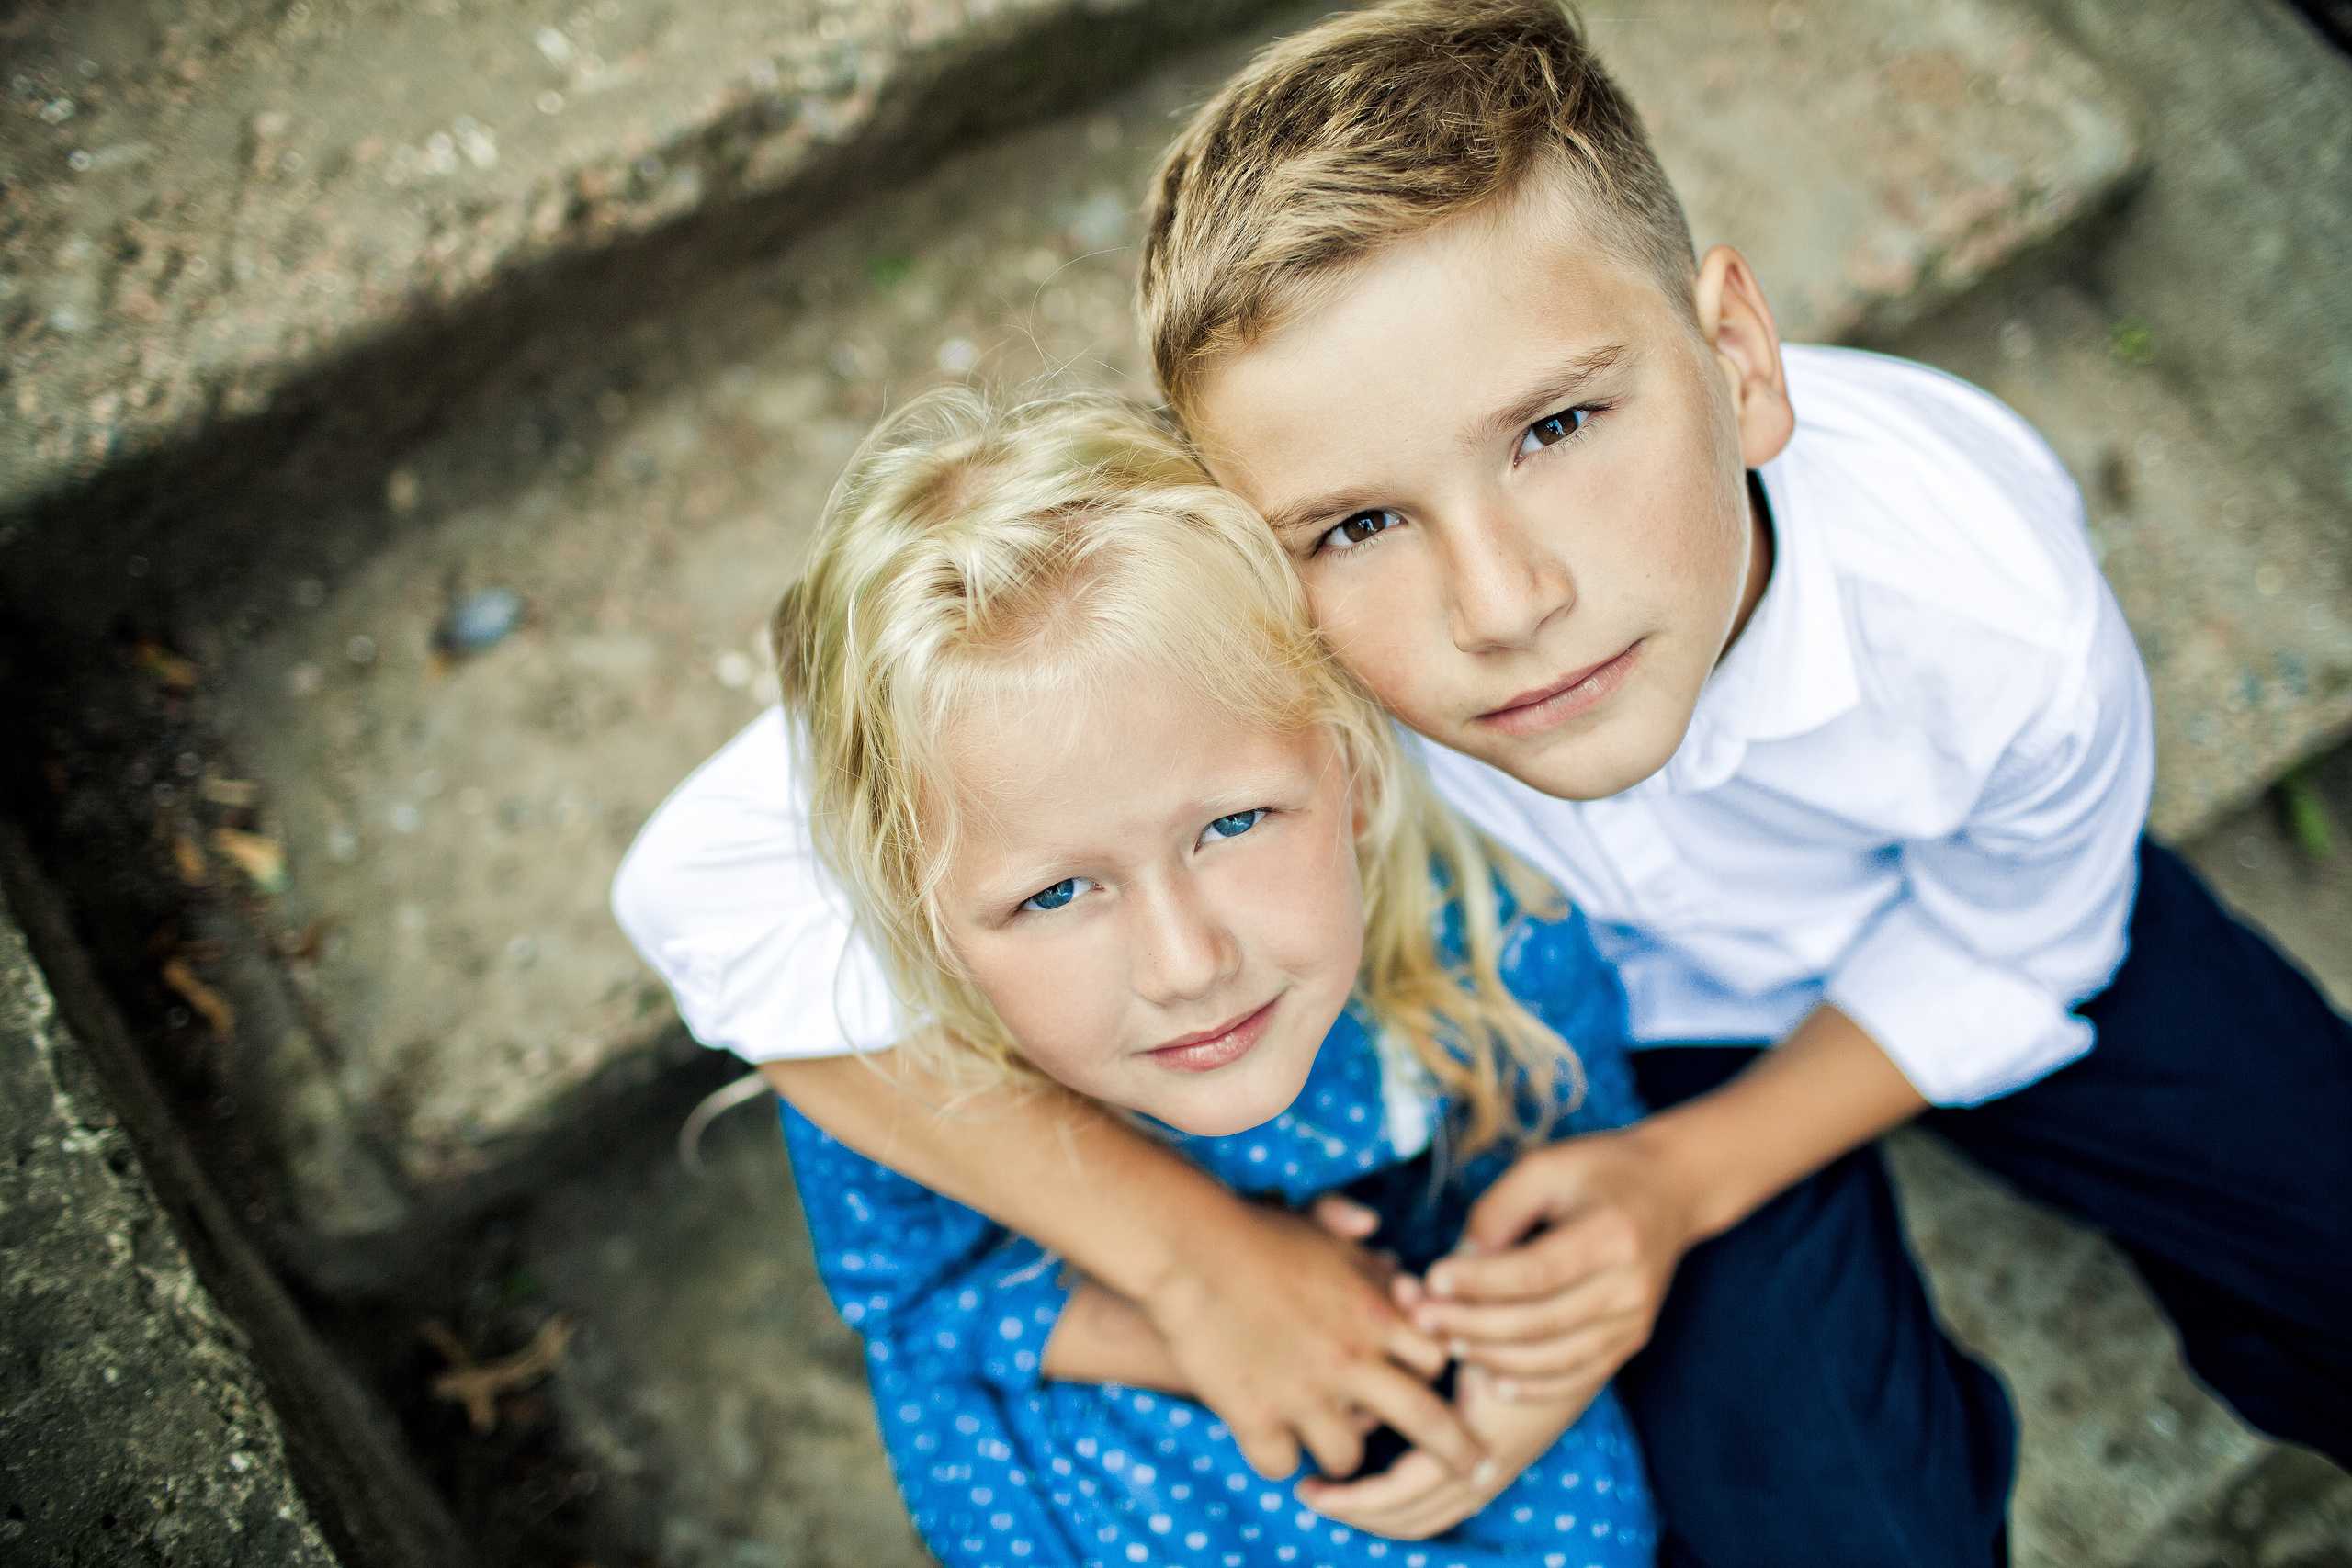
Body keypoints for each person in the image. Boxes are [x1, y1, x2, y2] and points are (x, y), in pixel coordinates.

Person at [616, 1, 2352, 1562]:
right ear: (1247, 546)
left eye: (1561, 427)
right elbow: (712, 887)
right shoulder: (1216, 624)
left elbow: (2025, 927)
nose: (1506, 604)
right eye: (1359, 524)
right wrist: (1190, 1256)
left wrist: (1694, 1179)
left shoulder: (1982, 606)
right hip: (1545, 1056)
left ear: (1738, 363)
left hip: (1924, 946)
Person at [762, 386, 1659, 1564]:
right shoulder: (912, 1077)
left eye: (1233, 824)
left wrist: (1523, 1330)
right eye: (1053, 894)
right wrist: (1180, 1328)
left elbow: (1578, 1172)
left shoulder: (1498, 955)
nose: (1188, 966)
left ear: (1350, 769)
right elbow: (910, 1295)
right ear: (920, 923)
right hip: (1079, 1472)